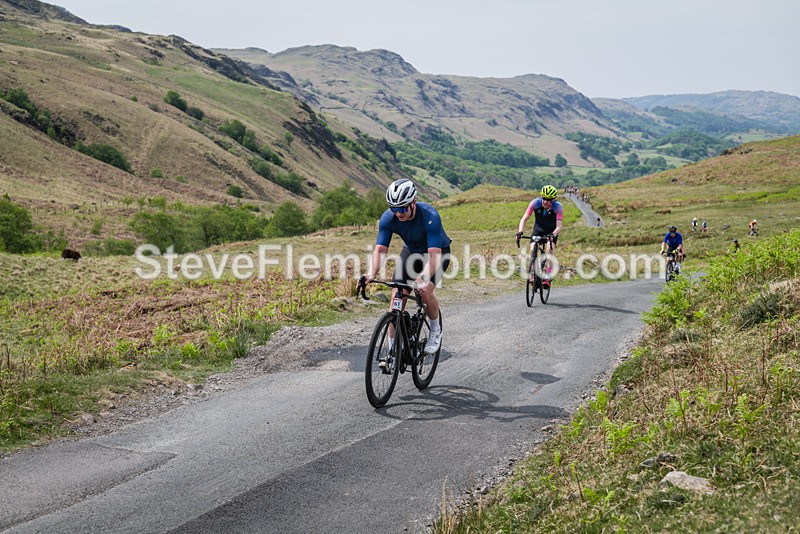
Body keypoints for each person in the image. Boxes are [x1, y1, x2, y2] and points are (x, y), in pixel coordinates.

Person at [363, 178, 451, 357]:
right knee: (396, 296)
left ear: (414, 203)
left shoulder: (430, 217)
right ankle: (392, 350)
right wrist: (371, 273)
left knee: (425, 291)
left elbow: (434, 256)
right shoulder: (389, 218)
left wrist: (423, 278)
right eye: (394, 209)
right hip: (411, 252)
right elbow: (380, 250)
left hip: (437, 253)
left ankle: (435, 331)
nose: (398, 214)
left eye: (402, 208)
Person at [515, 185, 563, 289]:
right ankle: (533, 273)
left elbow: (559, 226)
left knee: (549, 249)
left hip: (552, 230)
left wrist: (553, 234)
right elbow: (524, 219)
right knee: (532, 249)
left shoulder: (557, 207)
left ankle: (548, 276)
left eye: (548, 199)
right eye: (544, 198)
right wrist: (520, 232)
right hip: (538, 229)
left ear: (552, 200)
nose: (545, 201)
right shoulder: (535, 203)